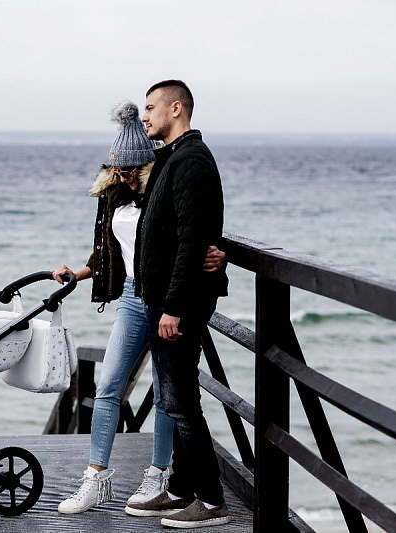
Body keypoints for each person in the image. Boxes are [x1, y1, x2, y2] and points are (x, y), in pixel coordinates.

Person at [53, 101, 225, 515]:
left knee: (167, 393)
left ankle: (159, 474)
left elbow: (194, 230)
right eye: (119, 169)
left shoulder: (162, 189)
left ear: (147, 165)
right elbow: (109, 254)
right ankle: (95, 479)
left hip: (163, 295)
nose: (126, 175)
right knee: (109, 385)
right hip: (132, 296)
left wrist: (220, 253)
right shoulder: (114, 197)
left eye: (133, 169)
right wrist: (78, 274)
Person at [124, 79, 230, 528]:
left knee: (181, 402)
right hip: (164, 299)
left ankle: (211, 501)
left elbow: (192, 239)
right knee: (175, 400)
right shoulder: (172, 157)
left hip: (176, 304)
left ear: (176, 108)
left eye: (151, 108)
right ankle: (183, 488)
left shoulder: (191, 160)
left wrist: (173, 307)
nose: (144, 116)